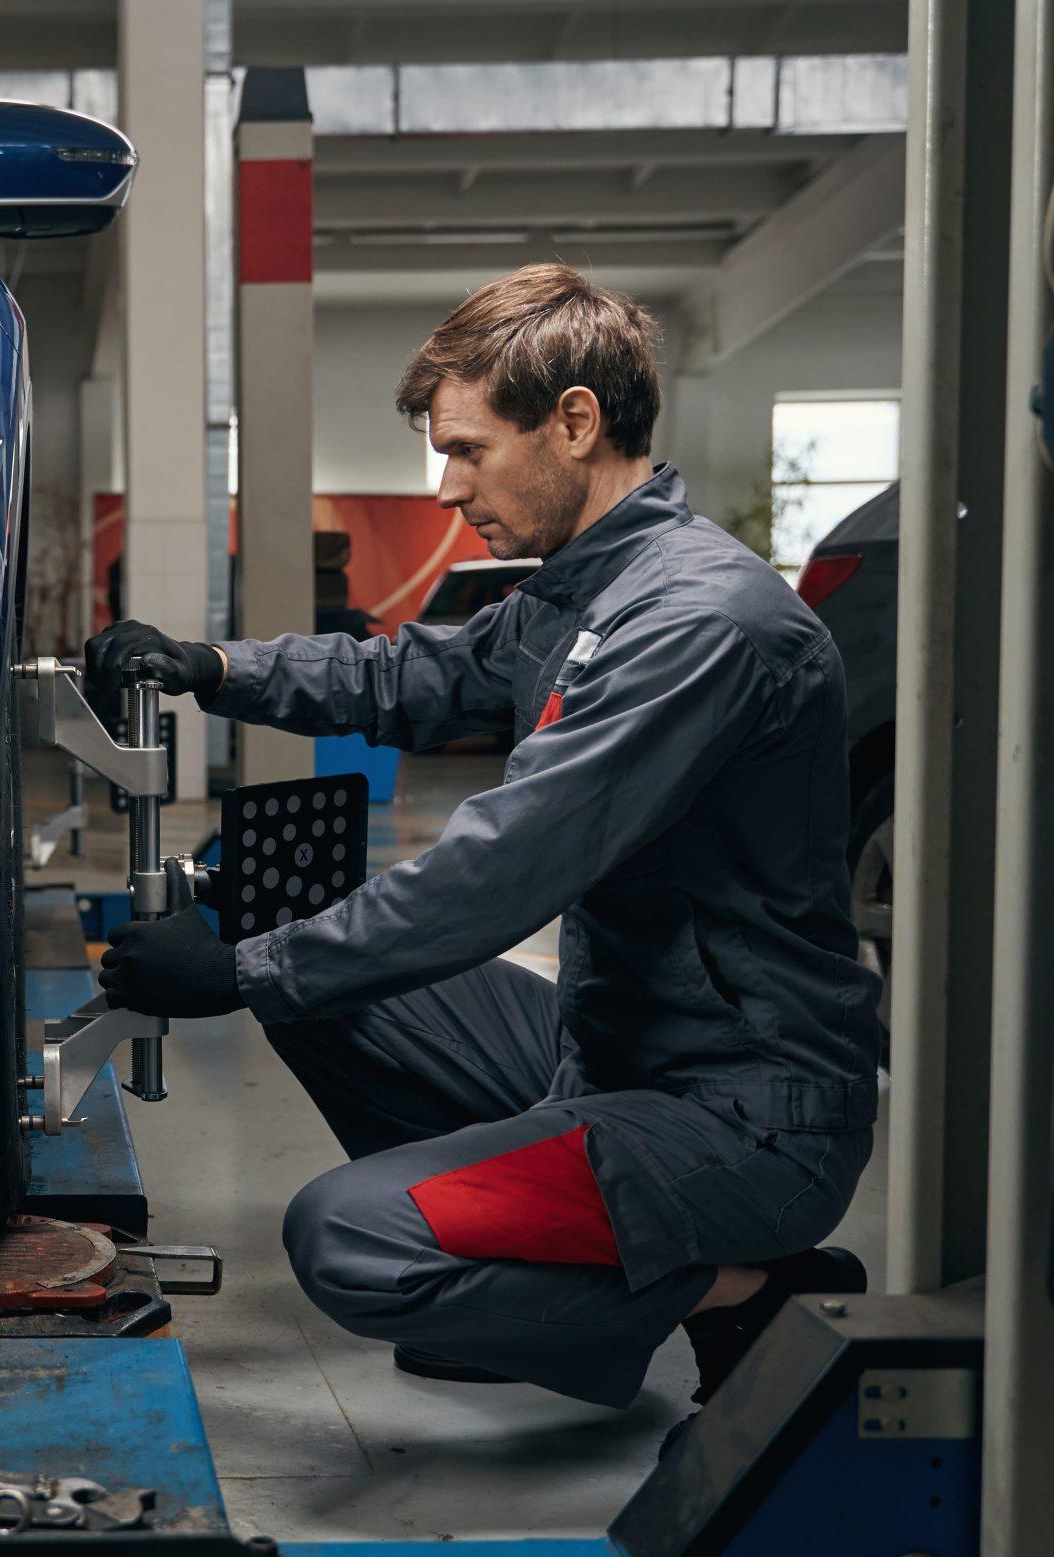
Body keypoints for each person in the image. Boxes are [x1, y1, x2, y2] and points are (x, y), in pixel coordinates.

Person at [86, 263, 881, 1426]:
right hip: (608, 1051)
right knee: (312, 963)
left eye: (467, 450)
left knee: (347, 1238)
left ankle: (739, 1293)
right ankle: (522, 1291)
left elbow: (502, 868)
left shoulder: (699, 620)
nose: (448, 486)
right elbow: (411, 674)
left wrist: (239, 975)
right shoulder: (576, 593)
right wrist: (213, 669)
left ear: (573, 422)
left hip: (739, 1114)